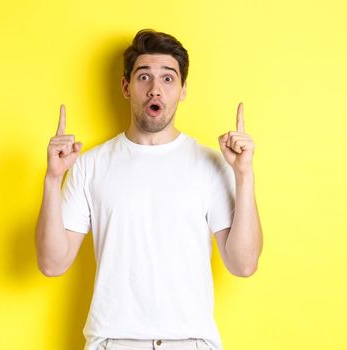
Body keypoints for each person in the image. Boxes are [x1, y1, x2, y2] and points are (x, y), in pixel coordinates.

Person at [34, 29, 263, 350]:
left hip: (190, 342)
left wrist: (244, 175)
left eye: (168, 79)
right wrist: (53, 179)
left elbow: (243, 264)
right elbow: (51, 264)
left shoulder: (211, 164)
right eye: (144, 77)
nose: (155, 89)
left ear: (183, 90)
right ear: (126, 87)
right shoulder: (90, 165)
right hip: (113, 342)